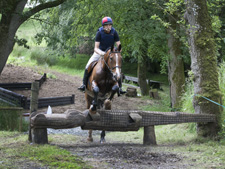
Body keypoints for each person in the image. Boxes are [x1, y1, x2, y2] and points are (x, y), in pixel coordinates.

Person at [78, 16, 126, 94]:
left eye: (110, 25)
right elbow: (96, 48)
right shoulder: (99, 33)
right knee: (87, 66)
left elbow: (119, 46)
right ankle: (83, 85)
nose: (108, 27)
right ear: (103, 26)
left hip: (111, 53)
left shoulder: (114, 32)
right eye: (106, 25)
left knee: (117, 68)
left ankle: (120, 88)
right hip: (100, 52)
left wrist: (116, 52)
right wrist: (101, 53)